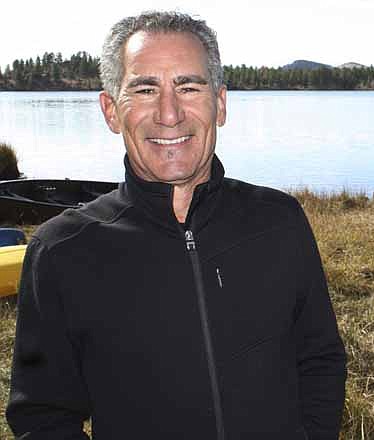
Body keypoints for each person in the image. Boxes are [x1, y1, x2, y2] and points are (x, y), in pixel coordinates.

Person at [6, 11, 347, 440]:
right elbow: (43, 417)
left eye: (188, 86)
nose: (169, 113)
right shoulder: (62, 252)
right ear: (111, 110)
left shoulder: (280, 221)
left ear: (220, 104)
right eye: (145, 89)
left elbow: (320, 358)